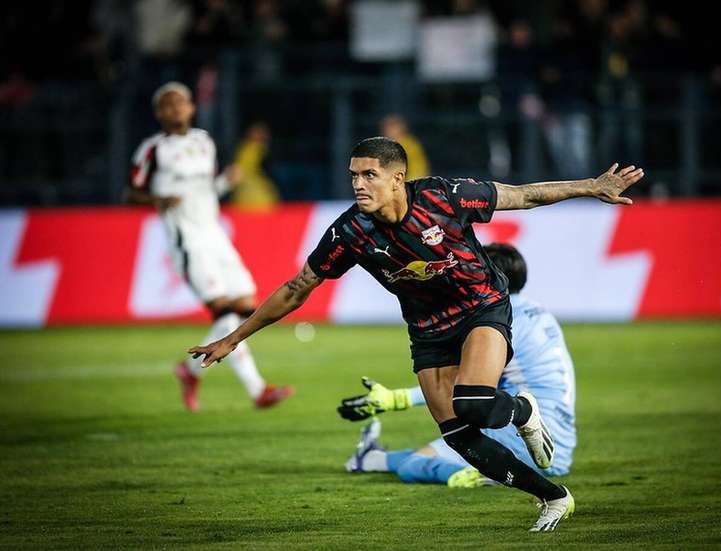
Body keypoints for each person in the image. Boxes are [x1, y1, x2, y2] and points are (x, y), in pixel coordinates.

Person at [189, 136, 644, 531]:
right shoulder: (350, 231)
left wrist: (591, 187)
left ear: (397, 177)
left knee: (473, 403)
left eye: (369, 174)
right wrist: (233, 339)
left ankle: (523, 411)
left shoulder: (444, 196)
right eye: (354, 175)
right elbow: (296, 288)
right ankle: (552, 496)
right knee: (459, 436)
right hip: (428, 331)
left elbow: (522, 196)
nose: (358, 184)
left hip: (481, 308)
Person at [339, 244, 576, 489]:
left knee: (418, 464)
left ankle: (472, 476)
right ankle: (370, 459)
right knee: (447, 444)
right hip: (561, 443)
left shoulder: (497, 320)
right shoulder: (539, 312)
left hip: (523, 438)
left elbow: (467, 388)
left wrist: (397, 399)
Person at [127, 81, 294, 412]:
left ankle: (189, 371)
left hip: (215, 234)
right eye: (169, 104)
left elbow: (205, 191)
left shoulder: (204, 142)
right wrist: (158, 199)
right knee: (225, 311)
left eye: (182, 102)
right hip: (186, 238)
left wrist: (224, 183)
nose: (177, 108)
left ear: (191, 107)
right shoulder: (152, 149)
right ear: (159, 112)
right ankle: (258, 390)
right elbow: (129, 193)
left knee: (246, 306)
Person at [232, 121, 281, 210]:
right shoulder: (247, 149)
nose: (261, 135)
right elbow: (240, 170)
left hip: (259, 194)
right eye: (257, 131)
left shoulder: (261, 150)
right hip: (249, 194)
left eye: (262, 132)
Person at [380, 114, 430, 182]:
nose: (386, 130)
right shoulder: (390, 145)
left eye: (391, 126)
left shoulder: (409, 146)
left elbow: (418, 171)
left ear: (401, 128)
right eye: (385, 127)